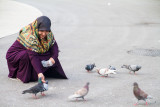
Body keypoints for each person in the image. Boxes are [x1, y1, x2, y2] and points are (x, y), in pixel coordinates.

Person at [6, 16, 67, 83]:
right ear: (37, 27)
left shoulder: (49, 33)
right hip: (15, 56)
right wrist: (39, 73)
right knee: (26, 55)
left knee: (49, 53)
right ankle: (20, 75)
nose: (44, 34)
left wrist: (53, 58)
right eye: (41, 31)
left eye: (46, 31)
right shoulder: (29, 34)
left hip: (32, 53)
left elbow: (54, 46)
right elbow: (33, 56)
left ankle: (37, 71)